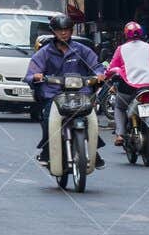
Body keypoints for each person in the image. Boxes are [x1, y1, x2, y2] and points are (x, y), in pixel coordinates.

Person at [25, 13, 105, 166]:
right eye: (59, 30)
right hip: (54, 96)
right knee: (48, 119)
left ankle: (94, 150)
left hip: (80, 93)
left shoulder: (81, 50)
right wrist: (35, 76)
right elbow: (31, 73)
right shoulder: (45, 52)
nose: (63, 33)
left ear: (71, 31)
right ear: (53, 31)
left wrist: (99, 74)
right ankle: (47, 151)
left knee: (90, 119)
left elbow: (96, 66)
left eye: (67, 29)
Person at [103, 21, 149, 146]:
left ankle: (120, 134)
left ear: (126, 35)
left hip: (128, 88)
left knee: (119, 107)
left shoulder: (121, 49)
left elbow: (111, 69)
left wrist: (106, 76)